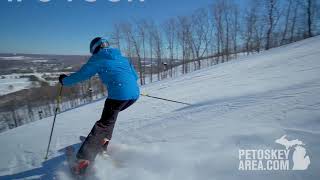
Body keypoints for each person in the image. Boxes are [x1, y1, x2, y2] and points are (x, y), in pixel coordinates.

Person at [59, 37, 140, 174]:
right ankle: (102, 142)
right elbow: (135, 76)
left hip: (118, 96)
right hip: (133, 95)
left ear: (95, 49)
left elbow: (82, 75)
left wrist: (64, 81)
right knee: (109, 120)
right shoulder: (121, 57)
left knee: (103, 124)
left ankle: (82, 160)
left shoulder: (98, 58)